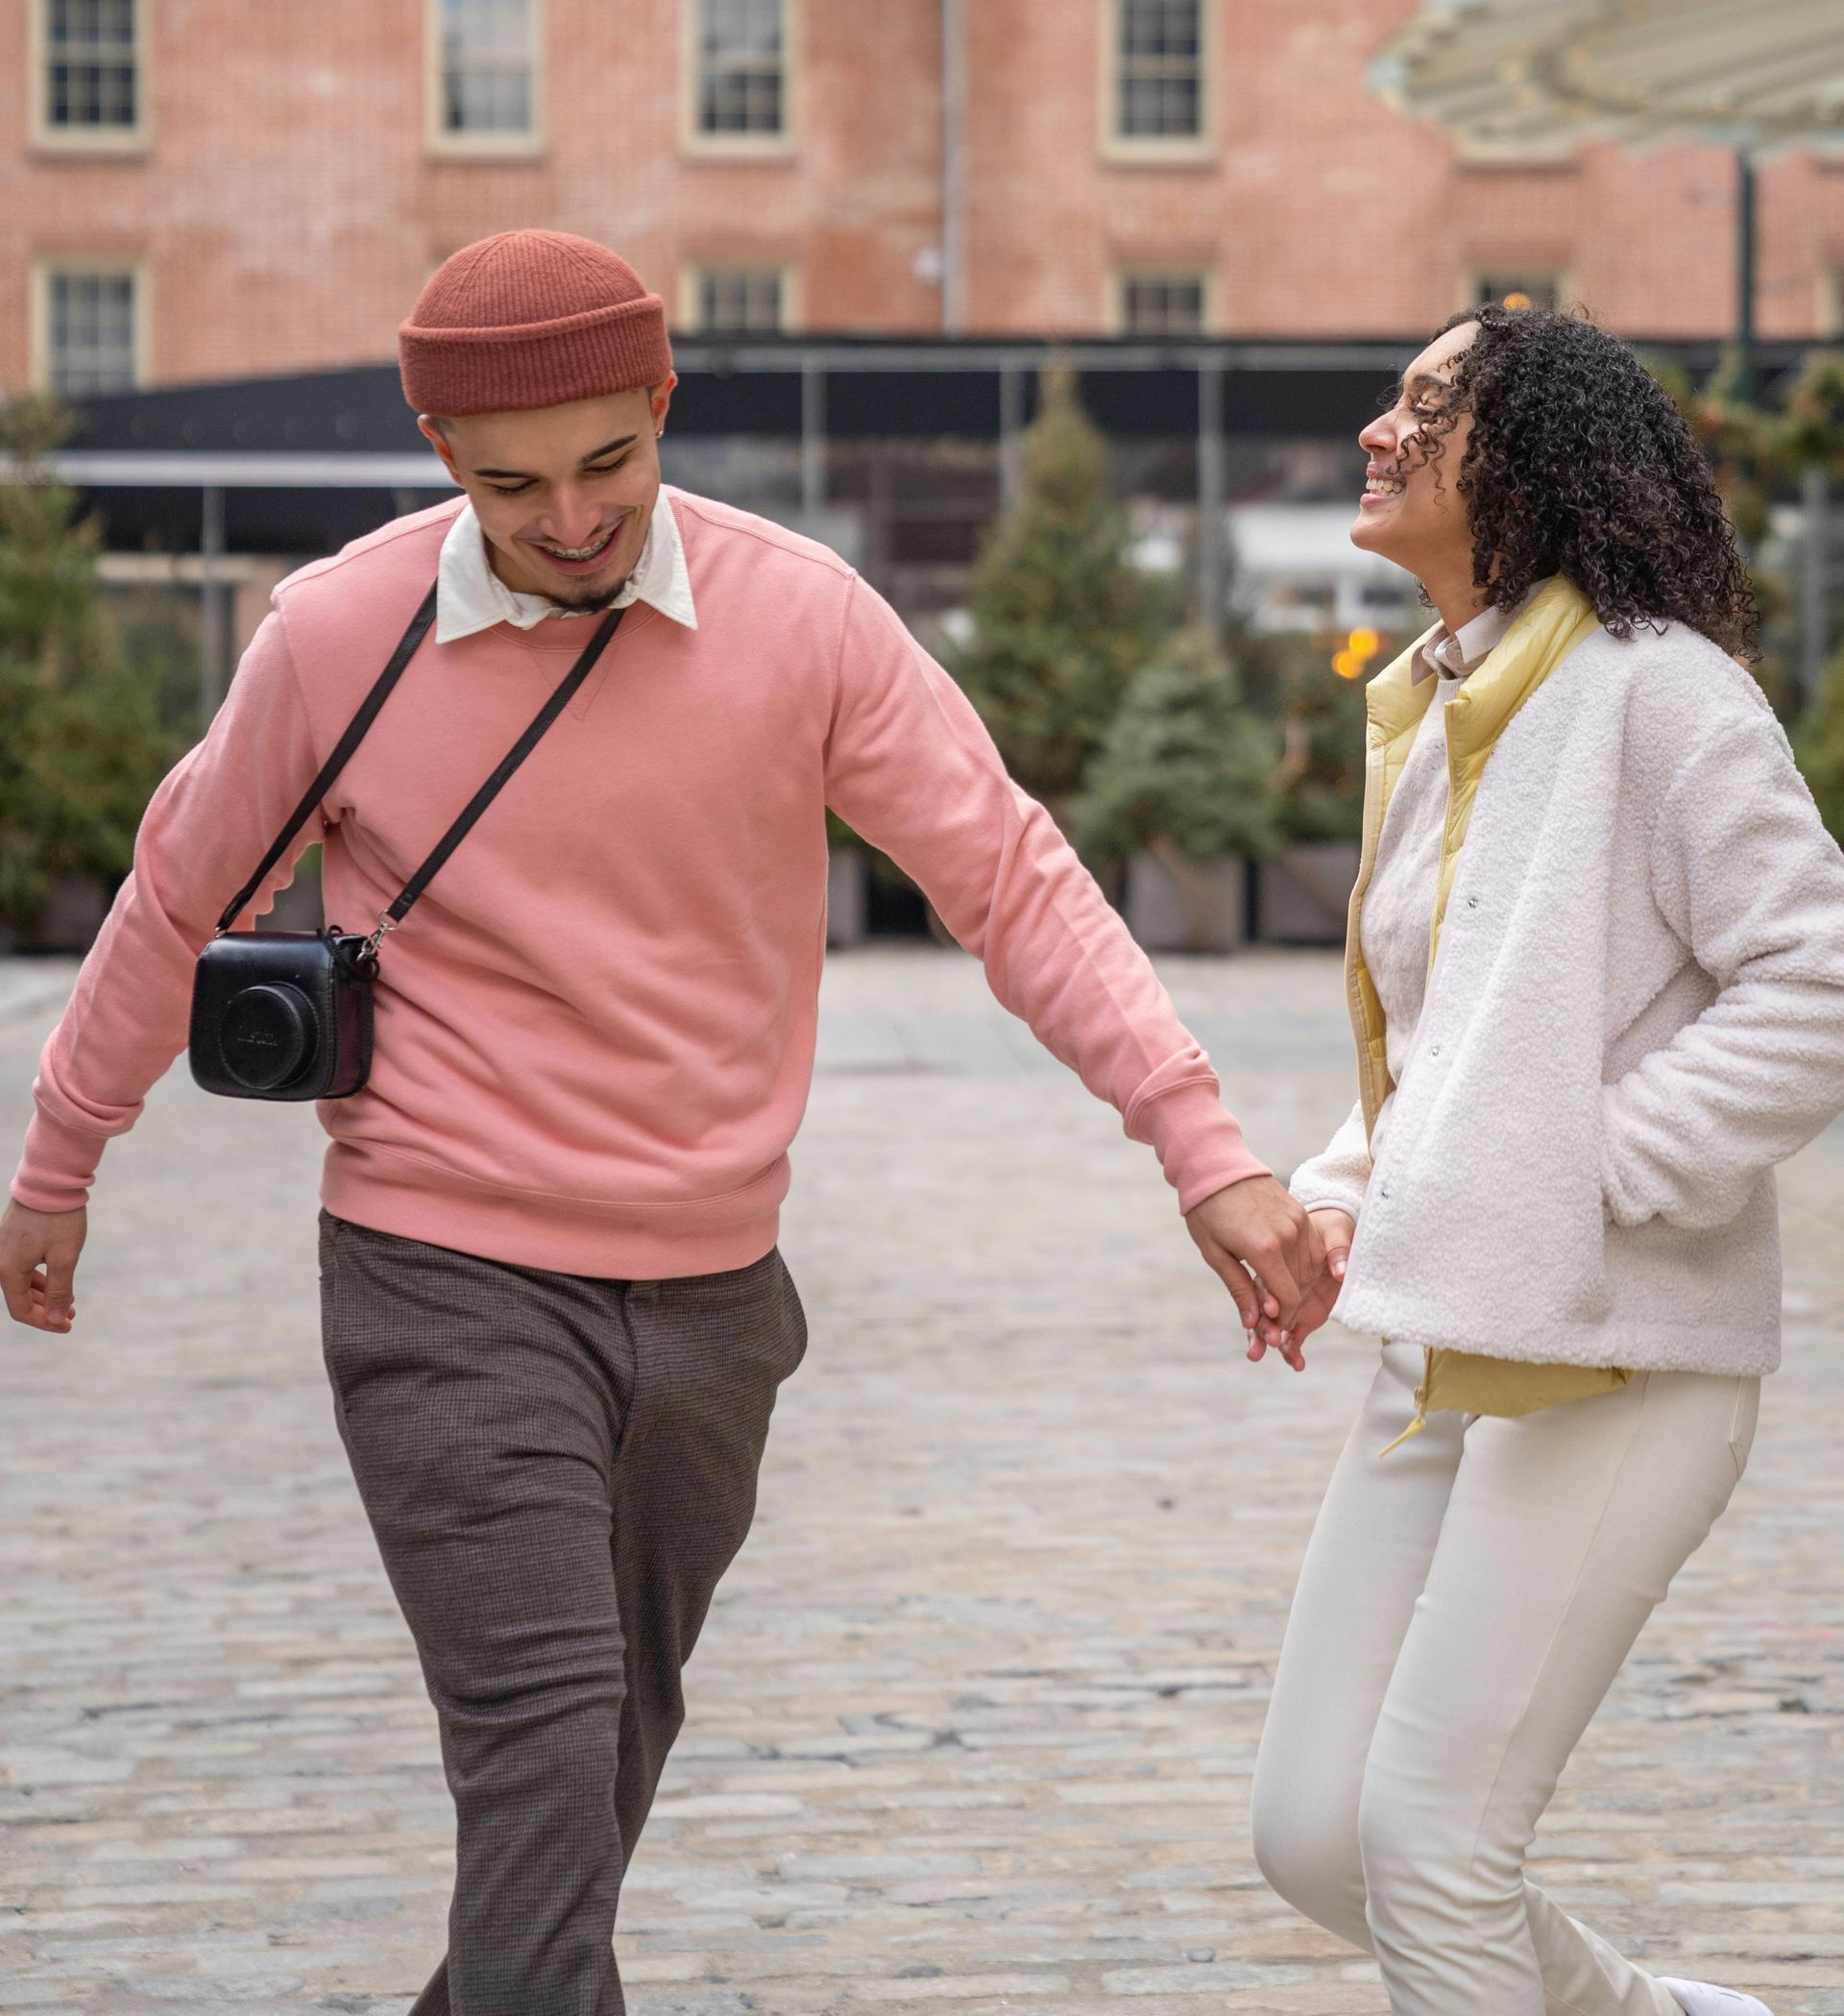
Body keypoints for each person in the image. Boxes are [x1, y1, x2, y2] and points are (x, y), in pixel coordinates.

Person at [0, 229, 1323, 2016]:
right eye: (508, 484)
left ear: (664, 407)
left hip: (714, 1302)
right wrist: (61, 1153)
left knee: (603, 1755)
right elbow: (176, 895)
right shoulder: (334, 635)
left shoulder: (804, 619)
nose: (566, 520)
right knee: (541, 1752)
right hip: (440, 1272)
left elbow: (1009, 879)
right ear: (439, 459)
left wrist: (1207, 1148)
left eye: (608, 464)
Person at [1250, 303, 1844, 2016]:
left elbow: (1814, 982)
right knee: (1314, 1837)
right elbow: (1456, 1054)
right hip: (1451, 1340)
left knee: (1433, 1856)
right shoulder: (1445, 707)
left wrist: (1586, 1169)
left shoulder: (1662, 695)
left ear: (1537, 458)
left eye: (1430, 406)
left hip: (1621, 1361)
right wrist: (1345, 1193)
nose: (1381, 429)